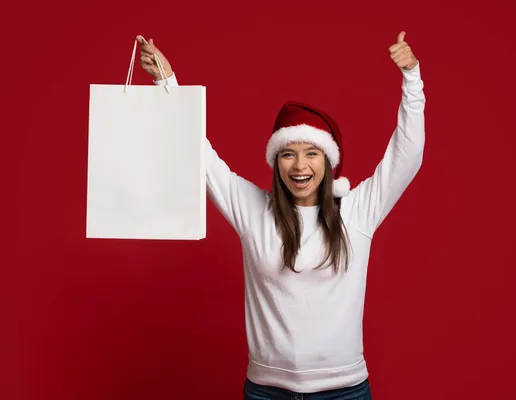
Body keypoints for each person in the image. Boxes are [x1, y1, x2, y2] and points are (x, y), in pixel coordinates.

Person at [135, 31, 425, 400]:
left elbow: (407, 155)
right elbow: (199, 154)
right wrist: (167, 83)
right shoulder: (252, 209)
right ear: (275, 161)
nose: (299, 165)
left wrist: (412, 78)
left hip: (344, 390)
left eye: (312, 153)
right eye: (288, 153)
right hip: (267, 391)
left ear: (329, 162)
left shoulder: (357, 211)